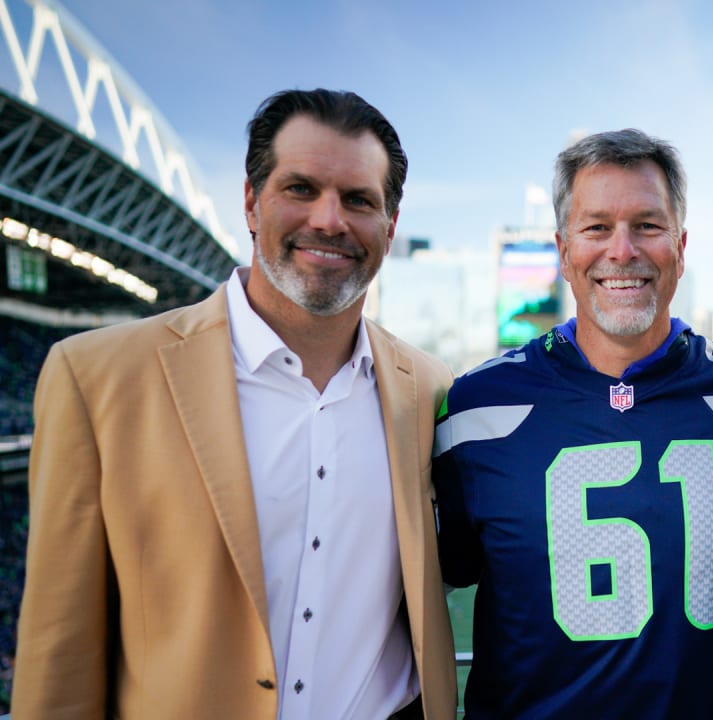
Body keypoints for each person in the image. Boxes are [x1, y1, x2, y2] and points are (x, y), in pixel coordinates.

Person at [13, 89, 457, 719]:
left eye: (358, 199)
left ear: (389, 222)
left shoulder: (429, 388)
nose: (330, 220)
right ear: (251, 202)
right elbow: (58, 650)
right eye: (301, 188)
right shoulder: (97, 378)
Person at [433, 129, 713, 718]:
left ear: (680, 243)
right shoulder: (476, 408)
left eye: (647, 226)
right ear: (563, 248)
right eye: (597, 227)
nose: (622, 250)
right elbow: (460, 567)